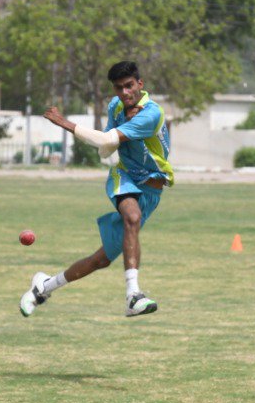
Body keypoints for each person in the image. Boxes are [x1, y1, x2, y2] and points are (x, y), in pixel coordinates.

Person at [19, 60, 173, 318]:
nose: (125, 93)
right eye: (119, 88)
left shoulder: (151, 113)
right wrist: (119, 130)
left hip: (152, 191)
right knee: (131, 217)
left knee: (101, 260)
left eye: (129, 86)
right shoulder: (117, 107)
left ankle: (42, 287)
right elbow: (106, 150)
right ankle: (133, 296)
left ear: (140, 85)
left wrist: (65, 123)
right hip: (124, 178)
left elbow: (104, 141)